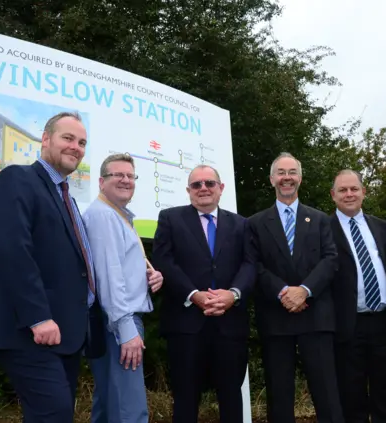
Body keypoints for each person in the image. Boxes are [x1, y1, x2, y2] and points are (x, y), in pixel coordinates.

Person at [0, 111, 106, 423]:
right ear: (45, 140)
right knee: (54, 415)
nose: (76, 147)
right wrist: (38, 317)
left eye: (82, 142)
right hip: (31, 329)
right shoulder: (17, 179)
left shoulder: (67, 198)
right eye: (68, 138)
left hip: (67, 334)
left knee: (50, 415)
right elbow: (13, 251)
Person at [152, 164, 256, 423]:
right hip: (186, 326)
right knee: (186, 399)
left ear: (221, 189)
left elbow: (251, 264)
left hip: (230, 325)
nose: (203, 189)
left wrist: (232, 294)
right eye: (196, 185)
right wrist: (193, 294)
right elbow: (164, 261)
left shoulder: (242, 224)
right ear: (188, 190)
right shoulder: (170, 218)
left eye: (209, 183)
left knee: (231, 397)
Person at [248, 152, 344, 423]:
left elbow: (331, 259)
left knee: (327, 392)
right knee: (279, 396)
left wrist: (304, 290)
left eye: (291, 172)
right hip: (276, 319)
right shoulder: (255, 223)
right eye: (281, 172)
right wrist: (283, 292)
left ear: (300, 178)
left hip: (316, 316)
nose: (286, 178)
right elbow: (253, 265)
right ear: (271, 179)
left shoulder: (320, 219)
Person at [82, 153, 164, 423]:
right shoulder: (104, 216)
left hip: (115, 322)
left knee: (109, 406)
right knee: (130, 410)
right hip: (119, 324)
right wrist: (126, 329)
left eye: (130, 176)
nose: (125, 180)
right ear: (101, 182)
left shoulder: (115, 215)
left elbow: (120, 267)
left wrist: (149, 275)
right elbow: (109, 276)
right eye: (117, 175)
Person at [330, 169, 386, 423]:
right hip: (347, 323)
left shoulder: (383, 228)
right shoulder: (322, 229)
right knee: (351, 394)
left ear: (364, 192)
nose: (349, 194)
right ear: (333, 195)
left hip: (383, 321)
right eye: (343, 190)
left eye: (354, 189)